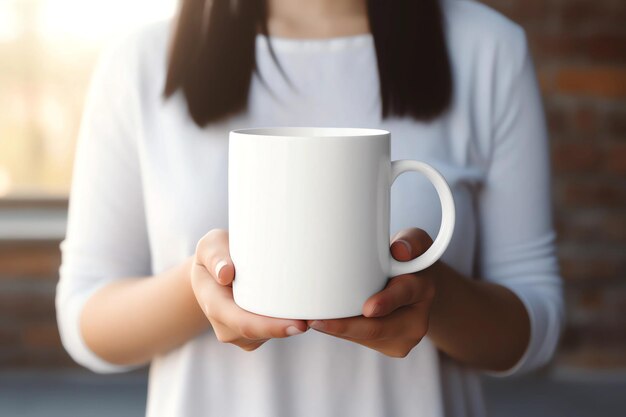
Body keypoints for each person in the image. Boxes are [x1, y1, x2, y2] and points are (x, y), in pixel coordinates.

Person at [56, 0, 564, 416]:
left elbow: (535, 328)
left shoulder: (488, 50)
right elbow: (85, 318)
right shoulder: (139, 62)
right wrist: (206, 289)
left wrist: (434, 293)